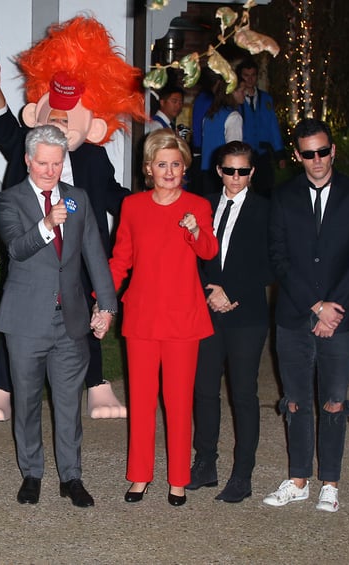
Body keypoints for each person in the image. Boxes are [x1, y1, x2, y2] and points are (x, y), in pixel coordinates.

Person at [0, 20, 145, 421]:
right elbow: (1, 128)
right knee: (17, 313)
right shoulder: (25, 149)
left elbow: (114, 194)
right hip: (33, 249)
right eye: (56, 117)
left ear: (92, 127)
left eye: (70, 121)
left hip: (80, 254)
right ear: (36, 116)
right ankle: (2, 387)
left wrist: (151, 204)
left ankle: (97, 383)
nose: (61, 126)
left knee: (85, 314)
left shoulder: (92, 157)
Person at [0, 125, 118, 508]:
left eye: (56, 163)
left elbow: (94, 253)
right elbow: (16, 249)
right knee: (27, 402)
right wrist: (47, 224)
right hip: (26, 322)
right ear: (29, 160)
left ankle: (71, 477)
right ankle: (32, 474)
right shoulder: (6, 200)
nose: (50, 171)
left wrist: (108, 305)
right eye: (43, 163)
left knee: (69, 404)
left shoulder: (77, 199)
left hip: (72, 320)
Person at [263, 118, 349, 513]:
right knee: (294, 401)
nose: (317, 160)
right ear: (297, 156)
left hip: (342, 316)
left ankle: (330, 481)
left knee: (333, 401)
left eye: (323, 151)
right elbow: (278, 256)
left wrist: (332, 309)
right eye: (308, 154)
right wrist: (314, 305)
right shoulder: (283, 196)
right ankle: (298, 479)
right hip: (294, 314)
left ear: (333, 151)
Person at [110, 129, 218, 507]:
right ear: (148, 168)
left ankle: (178, 480)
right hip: (141, 316)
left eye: (176, 163)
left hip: (182, 318)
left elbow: (208, 251)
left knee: (177, 401)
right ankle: (139, 476)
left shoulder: (198, 205)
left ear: (184, 166)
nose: (170, 171)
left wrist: (193, 230)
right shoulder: (133, 207)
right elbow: (121, 258)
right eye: (162, 164)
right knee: (140, 401)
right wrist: (102, 300)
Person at [186, 141, 272, 503]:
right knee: (203, 388)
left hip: (246, 314)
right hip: (205, 309)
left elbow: (272, 262)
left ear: (252, 173)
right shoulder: (201, 205)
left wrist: (230, 292)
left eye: (243, 171)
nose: (235, 178)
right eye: (229, 170)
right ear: (218, 170)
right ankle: (205, 462)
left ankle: (242, 474)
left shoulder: (268, 210)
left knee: (243, 393)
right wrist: (210, 291)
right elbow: (189, 255)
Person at [235, 59, 287, 198]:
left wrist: (279, 153)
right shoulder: (236, 100)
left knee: (266, 191)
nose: (250, 79)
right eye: (246, 75)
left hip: (263, 153)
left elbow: (273, 126)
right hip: (244, 152)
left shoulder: (266, 99)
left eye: (253, 75)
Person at [200, 78, 245, 195]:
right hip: (223, 172)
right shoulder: (233, 116)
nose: (244, 94)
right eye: (241, 91)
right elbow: (234, 150)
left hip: (206, 169)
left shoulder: (210, 115)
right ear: (232, 92)